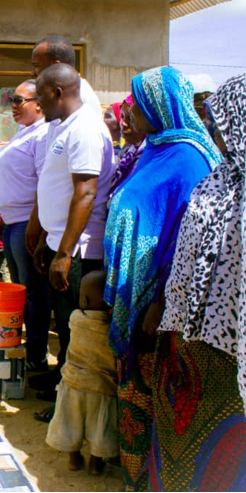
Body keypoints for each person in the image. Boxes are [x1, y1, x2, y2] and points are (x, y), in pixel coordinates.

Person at [102, 66, 222, 490]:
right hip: (132, 294)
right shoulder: (154, 149)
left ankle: (145, 476)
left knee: (151, 392)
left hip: (158, 302)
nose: (129, 111)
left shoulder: (191, 158)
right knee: (131, 386)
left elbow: (187, 238)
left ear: (160, 104)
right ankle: (132, 470)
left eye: (136, 102)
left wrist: (160, 302)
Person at [152, 73, 246, 491]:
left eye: (220, 122)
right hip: (194, 342)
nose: (214, 132)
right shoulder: (222, 179)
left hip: (233, 353)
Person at [28, 64, 114, 408]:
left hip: (79, 249)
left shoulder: (86, 129)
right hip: (60, 241)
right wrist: (47, 238)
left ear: (58, 93)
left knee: (75, 328)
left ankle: (71, 407)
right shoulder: (63, 127)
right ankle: (64, 382)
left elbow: (86, 194)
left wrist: (64, 254)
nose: (38, 104)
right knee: (64, 326)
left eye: (40, 96)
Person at [0, 79, 52, 371]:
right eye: (11, 99)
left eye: (19, 100)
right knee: (21, 291)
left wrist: (34, 225)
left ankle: (37, 356)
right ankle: (30, 350)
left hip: (29, 224)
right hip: (14, 223)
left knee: (33, 294)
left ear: (39, 104)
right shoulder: (24, 132)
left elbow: (44, 183)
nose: (12, 106)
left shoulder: (42, 136)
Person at [46, 270, 118, 476]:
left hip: (73, 383)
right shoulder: (112, 327)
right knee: (101, 427)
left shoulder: (76, 318)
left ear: (84, 299)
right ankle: (96, 463)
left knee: (71, 422)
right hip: (102, 387)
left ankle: (74, 458)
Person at [30, 35, 102, 116]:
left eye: (36, 66)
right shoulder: (63, 94)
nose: (33, 72)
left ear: (55, 66)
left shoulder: (79, 97)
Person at [109, 94, 146, 195]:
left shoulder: (150, 157)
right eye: (122, 117)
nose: (124, 124)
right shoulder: (130, 152)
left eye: (130, 119)